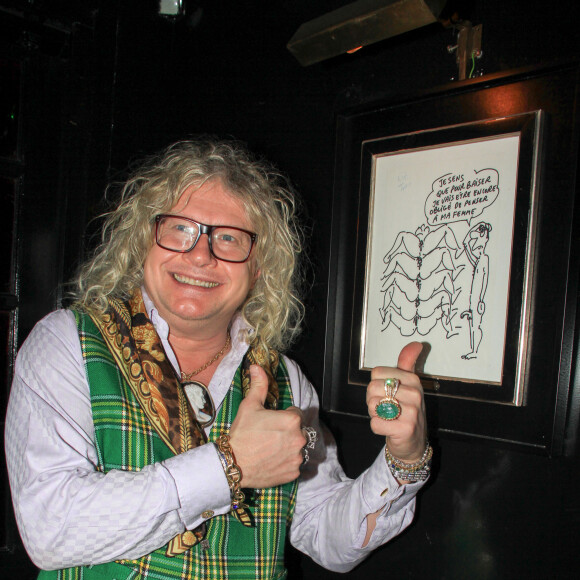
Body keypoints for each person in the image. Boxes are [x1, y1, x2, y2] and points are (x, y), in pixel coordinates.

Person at [5, 138, 431, 579]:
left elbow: (326, 537)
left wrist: (404, 458)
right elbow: (49, 530)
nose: (200, 254)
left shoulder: (286, 381)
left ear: (259, 269)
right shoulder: (66, 343)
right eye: (179, 229)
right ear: (142, 242)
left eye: (228, 238)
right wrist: (229, 465)